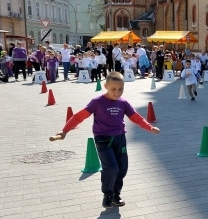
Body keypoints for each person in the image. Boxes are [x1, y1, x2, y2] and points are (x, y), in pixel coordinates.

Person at [49, 71, 160, 208]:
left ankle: (115, 194)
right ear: (105, 86)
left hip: (120, 138)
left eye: (120, 89)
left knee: (122, 168)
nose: (117, 92)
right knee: (111, 168)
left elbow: (136, 117)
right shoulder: (97, 102)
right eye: (113, 89)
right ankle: (107, 194)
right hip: (102, 140)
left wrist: (149, 127)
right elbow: (79, 117)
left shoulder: (123, 103)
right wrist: (64, 130)